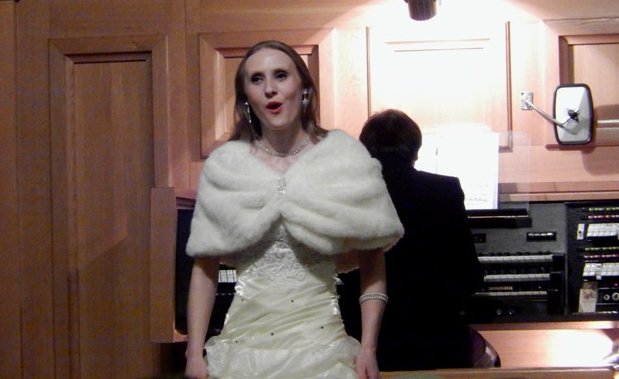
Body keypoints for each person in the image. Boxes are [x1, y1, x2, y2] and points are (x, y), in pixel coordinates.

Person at [184, 41, 404, 379]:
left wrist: (369, 347)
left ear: (304, 88)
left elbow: (373, 259)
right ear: (246, 97)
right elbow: (204, 267)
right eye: (256, 79)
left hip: (323, 350)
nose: (269, 88)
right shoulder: (225, 166)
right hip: (242, 353)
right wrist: (193, 353)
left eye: (281, 75)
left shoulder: (344, 156)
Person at [339, 109, 486, 371]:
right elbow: (469, 277)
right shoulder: (445, 190)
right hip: (436, 340)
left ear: (365, 150)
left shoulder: (347, 193)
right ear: (415, 150)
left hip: (366, 338)